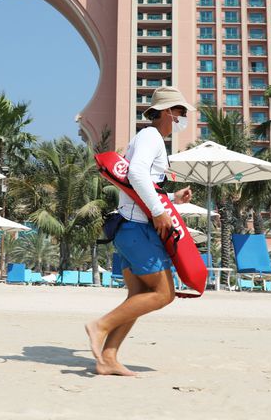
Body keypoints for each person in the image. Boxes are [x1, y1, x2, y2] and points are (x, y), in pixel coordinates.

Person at [85, 86, 195, 376]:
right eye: (181, 112)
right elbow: (136, 175)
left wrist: (171, 200)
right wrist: (159, 213)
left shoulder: (147, 138)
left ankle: (108, 358)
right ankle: (100, 326)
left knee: (138, 295)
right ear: (169, 112)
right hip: (137, 230)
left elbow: (138, 187)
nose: (184, 118)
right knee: (163, 293)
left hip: (128, 228)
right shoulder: (151, 137)